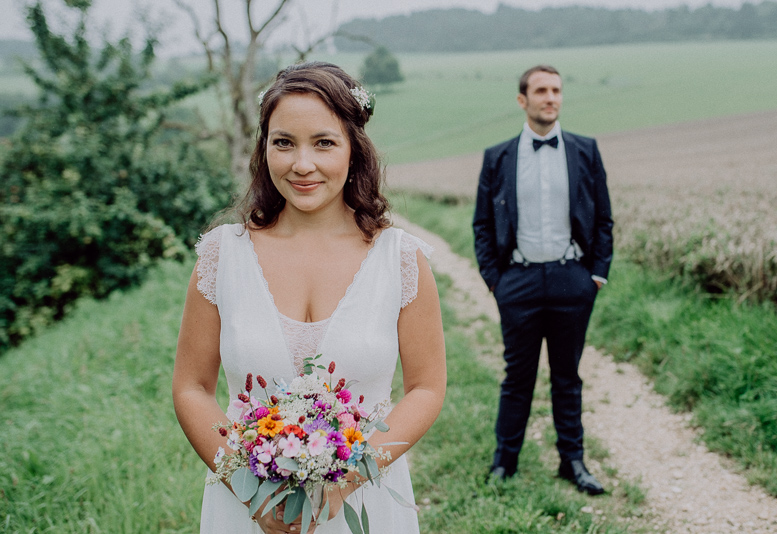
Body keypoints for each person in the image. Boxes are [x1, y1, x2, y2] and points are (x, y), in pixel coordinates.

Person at [173, 62, 447, 533]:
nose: (302, 164)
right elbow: (191, 387)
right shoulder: (222, 255)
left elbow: (426, 388)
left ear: (353, 151)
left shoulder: (399, 259)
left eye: (323, 142)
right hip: (247, 509)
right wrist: (248, 490)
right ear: (264, 150)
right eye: (284, 143)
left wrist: (347, 479)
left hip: (363, 502)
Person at [473, 65, 613, 495]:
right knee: (518, 376)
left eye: (556, 90)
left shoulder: (585, 150)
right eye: (540, 91)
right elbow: (482, 224)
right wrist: (496, 280)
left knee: (567, 376)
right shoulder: (497, 156)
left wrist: (597, 275)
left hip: (574, 280)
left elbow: (604, 219)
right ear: (523, 100)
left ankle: (573, 462)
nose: (550, 97)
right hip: (518, 282)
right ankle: (504, 462)